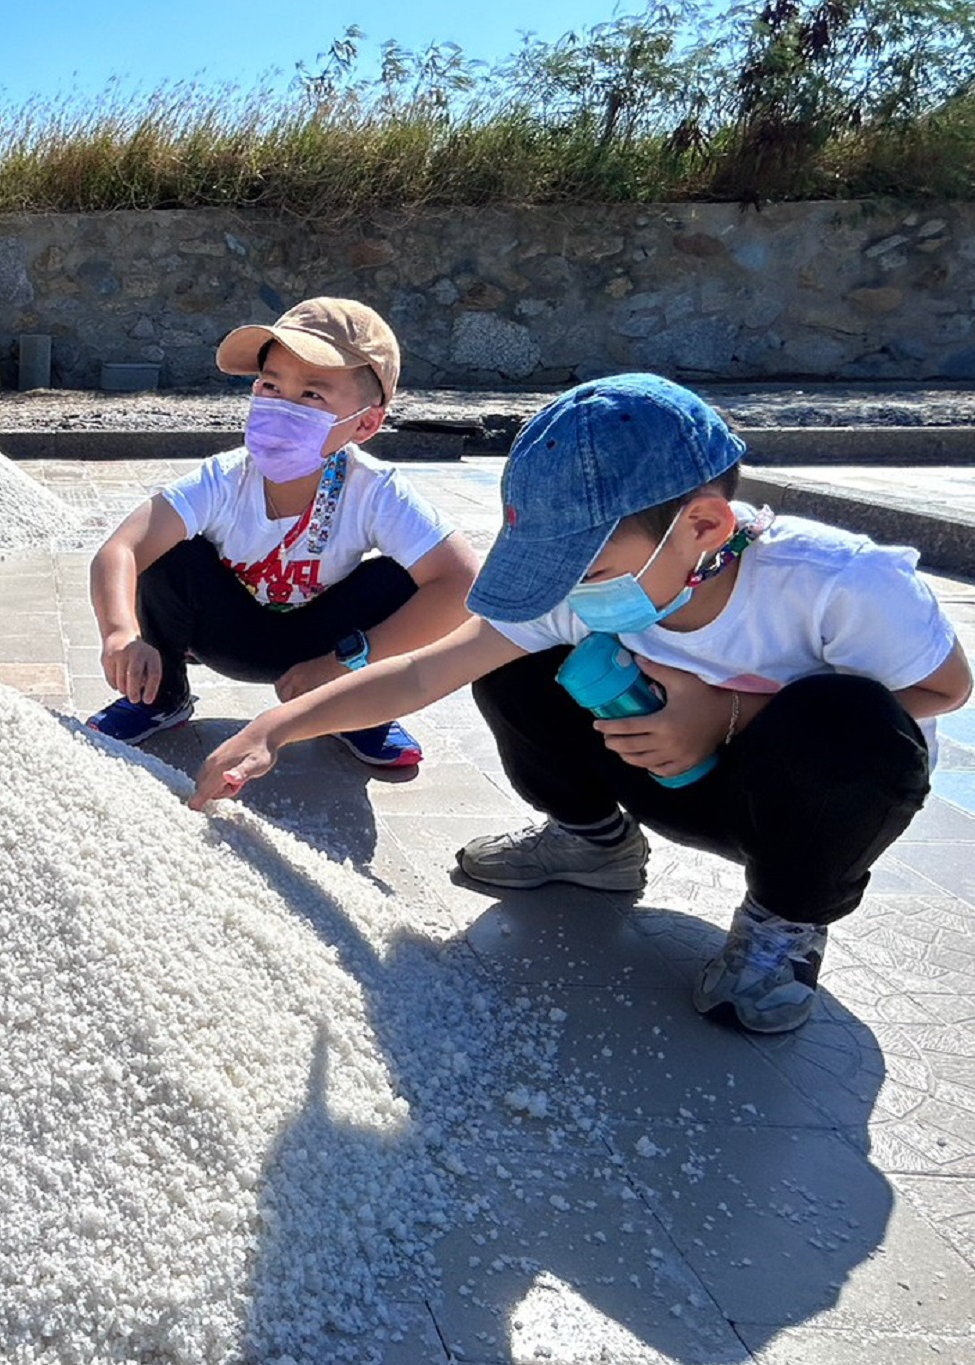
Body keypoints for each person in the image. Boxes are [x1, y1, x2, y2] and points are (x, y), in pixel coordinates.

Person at [191, 373, 971, 1033]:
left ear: (702, 525)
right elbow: (425, 673)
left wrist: (726, 712)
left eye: (587, 563)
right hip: (651, 765)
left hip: (788, 804)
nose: (571, 586)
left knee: (855, 724)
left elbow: (947, 689)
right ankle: (594, 843)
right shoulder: (586, 586)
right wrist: (277, 726)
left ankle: (784, 921)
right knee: (514, 661)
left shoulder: (839, 583)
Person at [86, 297, 477, 767]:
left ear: (367, 422)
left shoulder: (375, 491)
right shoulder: (224, 478)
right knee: (170, 553)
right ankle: (159, 697)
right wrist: (120, 634)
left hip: (326, 647)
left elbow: (463, 583)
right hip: (226, 636)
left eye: (313, 395)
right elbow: (121, 548)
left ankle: (360, 707)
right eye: (271, 386)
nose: (283, 407)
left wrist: (345, 662)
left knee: (404, 575)